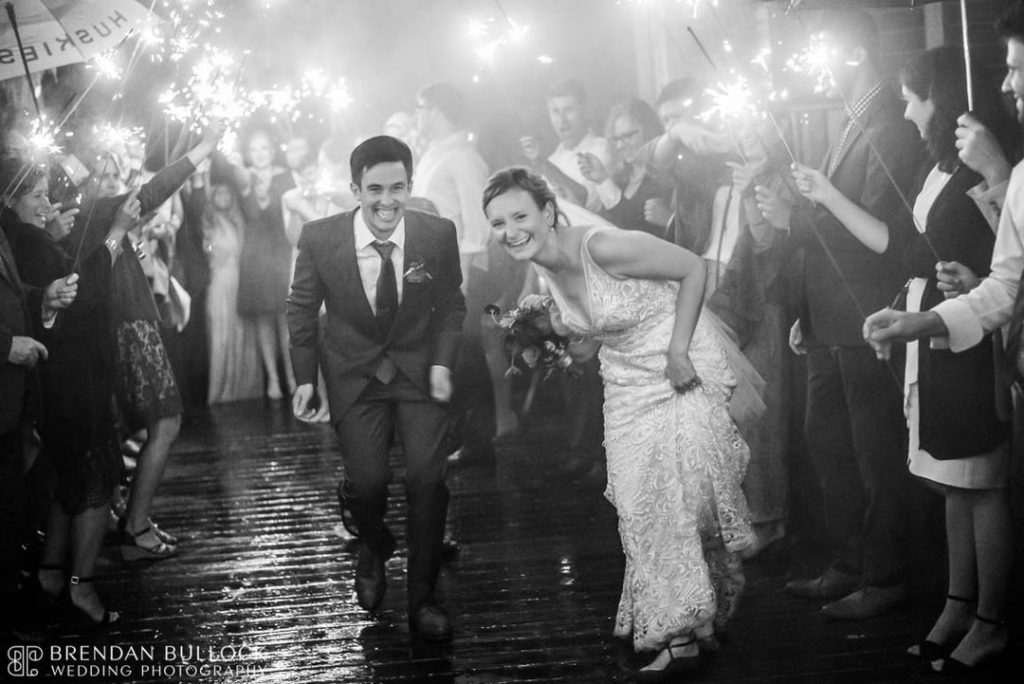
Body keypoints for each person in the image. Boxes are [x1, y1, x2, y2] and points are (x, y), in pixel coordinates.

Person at [483, 166, 752, 680]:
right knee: (641, 503)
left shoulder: (601, 246)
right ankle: (688, 624)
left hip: (681, 366)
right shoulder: (543, 269)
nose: (511, 231)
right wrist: (568, 345)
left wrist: (676, 351)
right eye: (498, 224)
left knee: (688, 494)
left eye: (520, 216)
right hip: (626, 383)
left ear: (548, 211)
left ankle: (688, 623)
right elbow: (598, 332)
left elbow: (693, 268)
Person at [864, 4, 1024, 670]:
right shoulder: (982, 170)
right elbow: (1007, 278)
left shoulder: (1003, 166)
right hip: (964, 330)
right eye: (1008, 70)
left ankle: (992, 616)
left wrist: (994, 176)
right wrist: (923, 312)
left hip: (986, 348)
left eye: (1019, 69)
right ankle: (963, 605)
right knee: (958, 480)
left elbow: (1001, 269)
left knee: (981, 480)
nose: (1010, 84)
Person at [755, 10, 925, 620]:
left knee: (874, 451)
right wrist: (803, 306)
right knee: (828, 445)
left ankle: (886, 574)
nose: (816, 67)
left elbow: (876, 232)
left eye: (824, 52)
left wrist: (797, 213)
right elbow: (829, 227)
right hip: (828, 315)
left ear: (853, 54)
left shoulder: (888, 126)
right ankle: (849, 562)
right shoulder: (853, 121)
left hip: (865, 313)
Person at [288, 135, 465, 642]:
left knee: (426, 481)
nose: (387, 200)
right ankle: (372, 542)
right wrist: (305, 378)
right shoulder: (320, 238)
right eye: (375, 189)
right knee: (366, 484)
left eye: (398, 187)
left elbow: (452, 305)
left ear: (410, 185)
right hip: (353, 374)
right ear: (355, 189)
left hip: (419, 372)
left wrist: (443, 362)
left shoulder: (435, 233)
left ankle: (424, 599)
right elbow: (301, 308)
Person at [63, 122, 226, 562]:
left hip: (129, 319)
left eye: (118, 173)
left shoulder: (89, 215)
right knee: (166, 422)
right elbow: (157, 188)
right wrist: (203, 149)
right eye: (107, 172)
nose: (117, 181)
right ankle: (135, 525)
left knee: (147, 425)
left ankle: (132, 518)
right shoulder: (92, 212)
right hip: (128, 323)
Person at [1, 158, 127, 625]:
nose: (46, 201)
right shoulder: (26, 236)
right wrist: (116, 235)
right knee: (90, 479)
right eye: (34, 194)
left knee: (63, 479)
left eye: (45, 192)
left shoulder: (24, 236)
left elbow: (35, 288)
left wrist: (45, 294)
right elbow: (88, 289)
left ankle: (53, 574)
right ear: (9, 200)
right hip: (67, 378)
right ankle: (81, 585)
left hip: (52, 377)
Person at [413, 82, 496, 462]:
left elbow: (478, 227)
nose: (417, 115)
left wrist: (460, 278)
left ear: (437, 111)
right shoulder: (431, 154)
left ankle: (477, 437)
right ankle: (452, 432)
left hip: (460, 273)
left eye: (421, 108)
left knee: (466, 354)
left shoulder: (463, 157)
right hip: (432, 272)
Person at [233, 128, 296, 400]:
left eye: (264, 148)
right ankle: (272, 379)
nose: (259, 154)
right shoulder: (244, 175)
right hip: (255, 255)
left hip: (282, 250)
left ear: (272, 150)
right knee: (262, 318)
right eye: (254, 149)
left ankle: (293, 377)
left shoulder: (286, 176)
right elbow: (248, 210)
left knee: (286, 318)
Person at [203, 183, 262, 404]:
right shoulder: (208, 222)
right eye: (219, 191)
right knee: (220, 333)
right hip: (219, 283)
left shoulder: (239, 222)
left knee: (241, 331)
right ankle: (220, 389)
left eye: (228, 191)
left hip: (240, 281)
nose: (224, 195)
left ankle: (244, 387)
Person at [578, 98, 669, 237]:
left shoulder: (665, 178)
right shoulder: (619, 180)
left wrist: (603, 180)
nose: (620, 145)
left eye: (628, 136)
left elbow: (634, 227)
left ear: (649, 130)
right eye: (616, 139)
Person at [520, 78, 612, 213]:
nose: (562, 119)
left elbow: (586, 201)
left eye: (569, 110)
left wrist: (543, 164)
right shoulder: (553, 160)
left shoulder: (603, 150)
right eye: (556, 112)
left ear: (584, 110)